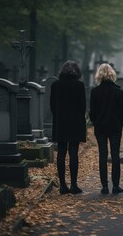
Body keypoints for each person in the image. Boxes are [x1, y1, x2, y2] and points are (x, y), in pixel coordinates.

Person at [89, 63, 123, 195]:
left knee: (103, 155)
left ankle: (104, 186)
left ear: (99, 74)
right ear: (112, 74)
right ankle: (116, 185)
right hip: (115, 127)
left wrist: (95, 122)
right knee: (115, 155)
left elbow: (92, 112)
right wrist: (121, 123)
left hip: (100, 127)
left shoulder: (95, 92)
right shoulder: (119, 91)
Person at [50, 60, 86, 195]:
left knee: (61, 152)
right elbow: (83, 106)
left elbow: (52, 105)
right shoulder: (79, 85)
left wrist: (59, 116)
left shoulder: (55, 85)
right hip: (75, 122)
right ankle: (74, 185)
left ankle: (63, 186)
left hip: (61, 122)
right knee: (73, 152)